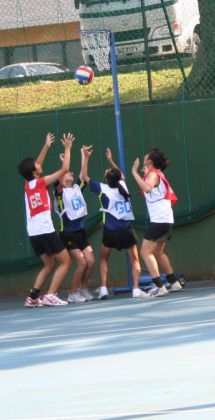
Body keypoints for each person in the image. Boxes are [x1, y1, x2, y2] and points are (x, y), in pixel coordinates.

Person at [82, 145, 148, 299]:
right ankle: (136, 289)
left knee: (104, 258)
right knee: (135, 259)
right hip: (126, 229)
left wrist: (86, 158)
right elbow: (121, 175)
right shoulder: (122, 186)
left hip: (110, 231)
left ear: (106, 179)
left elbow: (84, 177)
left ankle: (104, 288)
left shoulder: (103, 189)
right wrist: (111, 161)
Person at [18, 132, 74, 307]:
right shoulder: (41, 182)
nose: (38, 163)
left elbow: (37, 165)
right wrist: (67, 147)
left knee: (49, 264)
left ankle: (33, 298)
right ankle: (50, 295)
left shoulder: (28, 185)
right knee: (65, 262)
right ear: (35, 171)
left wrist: (46, 146)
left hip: (33, 232)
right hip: (45, 230)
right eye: (36, 164)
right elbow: (65, 170)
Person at [132, 147, 182, 297]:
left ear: (149, 161)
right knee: (158, 253)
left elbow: (147, 188)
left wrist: (134, 172)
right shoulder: (153, 174)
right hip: (165, 219)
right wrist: (145, 175)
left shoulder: (153, 174)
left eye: (145, 156)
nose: (143, 158)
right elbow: (150, 188)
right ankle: (173, 282)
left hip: (160, 220)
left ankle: (159, 286)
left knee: (145, 252)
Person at [54, 148, 95, 303]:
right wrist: (65, 159)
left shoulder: (77, 188)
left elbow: (83, 176)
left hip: (81, 232)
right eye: (67, 172)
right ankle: (72, 293)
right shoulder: (59, 193)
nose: (70, 173)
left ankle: (82, 288)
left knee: (90, 261)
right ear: (61, 178)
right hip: (68, 233)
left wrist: (85, 157)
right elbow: (63, 172)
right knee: (82, 262)